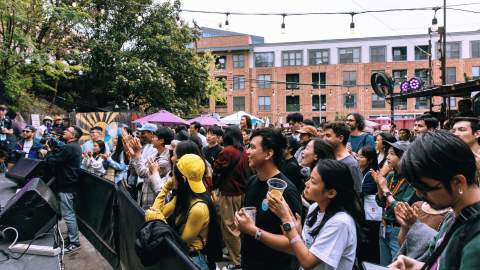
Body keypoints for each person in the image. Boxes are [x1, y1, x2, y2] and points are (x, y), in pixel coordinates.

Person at [247, 159, 363, 270]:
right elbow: (302, 249)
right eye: (309, 178)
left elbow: (307, 262)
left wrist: (285, 219)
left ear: (331, 193)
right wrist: (297, 231)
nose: (307, 183)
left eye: (313, 181)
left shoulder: (340, 223)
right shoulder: (314, 208)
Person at [390, 131, 480, 270]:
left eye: (425, 188)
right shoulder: (454, 216)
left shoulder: (476, 238)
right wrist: (419, 266)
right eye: (415, 187)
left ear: (458, 182)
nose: (419, 194)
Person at [236, 128, 302, 270]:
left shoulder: (286, 190)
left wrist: (254, 231)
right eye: (248, 146)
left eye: (252, 147)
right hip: (251, 262)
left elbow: (293, 243)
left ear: (268, 154)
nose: (247, 152)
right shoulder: (252, 181)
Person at [145, 154, 220, 270]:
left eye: (173, 175)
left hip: (191, 261)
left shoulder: (199, 208)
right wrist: (165, 189)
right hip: (179, 258)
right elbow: (157, 211)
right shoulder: (183, 196)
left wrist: (158, 220)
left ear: (183, 179)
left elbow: (181, 244)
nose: (171, 178)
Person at [371, 140, 419, 266]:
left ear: (403, 156)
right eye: (387, 153)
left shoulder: (411, 179)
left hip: (399, 229)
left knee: (397, 265)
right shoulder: (391, 175)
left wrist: (385, 189)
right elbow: (380, 202)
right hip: (384, 225)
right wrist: (379, 184)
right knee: (384, 265)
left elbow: (401, 207)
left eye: (392, 154)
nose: (387, 157)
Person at [212, 126, 252, 269]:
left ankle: (237, 261)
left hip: (229, 192)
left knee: (230, 227)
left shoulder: (227, 151)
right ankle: (232, 253)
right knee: (238, 225)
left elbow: (216, 168)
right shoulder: (244, 151)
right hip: (241, 192)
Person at [44, 126, 83, 254]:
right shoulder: (73, 146)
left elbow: (54, 161)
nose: (64, 131)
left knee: (69, 215)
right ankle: (72, 238)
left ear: (73, 136)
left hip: (67, 185)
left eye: (67, 131)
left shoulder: (70, 147)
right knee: (68, 214)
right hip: (68, 184)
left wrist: (49, 152)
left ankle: (74, 242)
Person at [357, 145, 381, 264]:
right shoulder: (362, 172)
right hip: (367, 216)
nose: (357, 158)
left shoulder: (371, 174)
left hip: (371, 219)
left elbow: (364, 191)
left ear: (370, 160)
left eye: (361, 156)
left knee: (370, 248)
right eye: (357, 155)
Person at [323, 122, 363, 194]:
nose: (324, 139)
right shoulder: (327, 157)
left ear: (340, 138)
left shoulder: (351, 164)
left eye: (328, 136)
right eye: (324, 136)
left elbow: (357, 192)